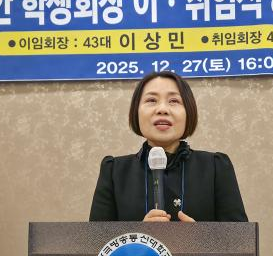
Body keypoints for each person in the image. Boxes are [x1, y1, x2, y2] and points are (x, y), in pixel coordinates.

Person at [89, 71, 247, 222]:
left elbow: (240, 238)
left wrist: (199, 236)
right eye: (151, 100)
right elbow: (96, 239)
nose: (162, 109)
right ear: (136, 112)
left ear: (188, 111)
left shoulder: (216, 167)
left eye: (174, 101)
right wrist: (140, 236)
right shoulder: (114, 171)